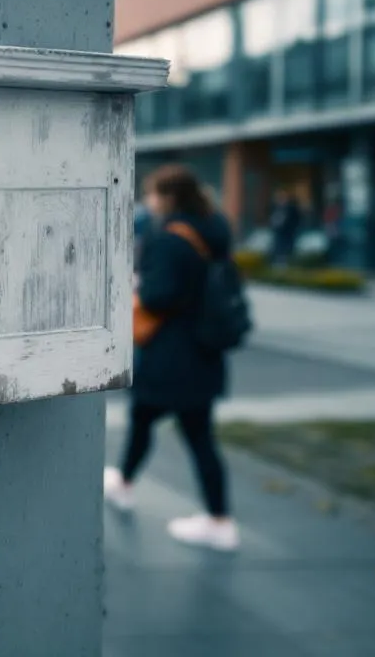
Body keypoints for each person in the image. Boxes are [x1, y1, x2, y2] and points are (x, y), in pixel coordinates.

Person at [104, 164, 239, 551]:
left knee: (168, 426)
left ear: (167, 197)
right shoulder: (214, 230)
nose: (149, 201)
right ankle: (125, 483)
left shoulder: (171, 239)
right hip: (203, 352)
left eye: (153, 194)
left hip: (172, 355)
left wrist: (138, 286)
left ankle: (218, 522)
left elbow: (159, 296)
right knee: (172, 427)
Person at [269, 188, 301, 266]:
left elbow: (296, 220)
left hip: (288, 234)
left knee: (286, 252)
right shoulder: (275, 208)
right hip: (278, 234)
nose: (280, 199)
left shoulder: (291, 208)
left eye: (282, 197)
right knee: (278, 251)